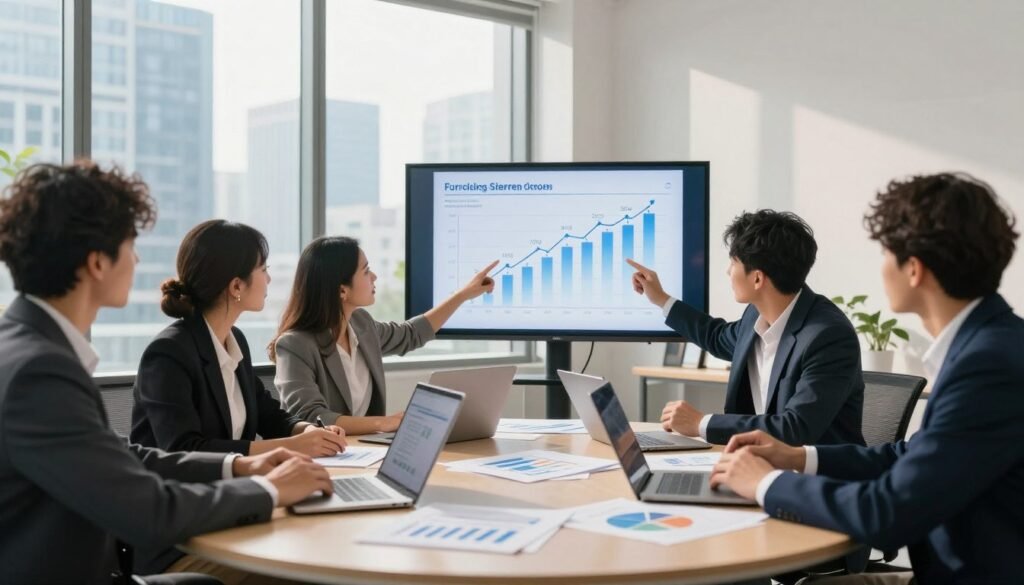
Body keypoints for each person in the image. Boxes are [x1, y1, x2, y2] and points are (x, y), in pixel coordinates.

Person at [0, 161, 331, 584]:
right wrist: (270, 490)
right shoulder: (40, 371)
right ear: (98, 262)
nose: (136, 258)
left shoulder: (26, 346)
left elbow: (123, 455)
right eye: (130, 244)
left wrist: (240, 467)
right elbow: (149, 512)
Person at [710, 173, 1024, 584]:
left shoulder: (988, 365)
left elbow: (888, 512)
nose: (881, 267)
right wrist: (799, 456)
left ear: (914, 269)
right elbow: (911, 455)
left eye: (885, 253)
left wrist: (766, 483)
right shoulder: (990, 344)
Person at [627, 210, 865, 446]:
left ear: (757, 279)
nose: (728, 271)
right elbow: (717, 337)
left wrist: (701, 423)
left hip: (821, 477)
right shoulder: (755, 315)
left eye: (734, 262)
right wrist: (661, 299)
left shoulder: (827, 336)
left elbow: (796, 428)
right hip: (760, 464)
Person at [131, 220, 347, 458]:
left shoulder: (234, 340)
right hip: (178, 491)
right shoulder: (168, 353)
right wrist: (290, 447)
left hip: (231, 486)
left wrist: (309, 431)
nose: (269, 279)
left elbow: (268, 415)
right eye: (264, 270)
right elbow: (184, 449)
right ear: (236, 286)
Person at [270, 236, 496, 435]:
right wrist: (382, 423)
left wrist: (463, 295)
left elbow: (411, 334)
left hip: (362, 452)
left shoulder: (361, 324)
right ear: (342, 290)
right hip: (319, 458)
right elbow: (312, 417)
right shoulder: (294, 345)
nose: (374, 277)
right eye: (366, 271)